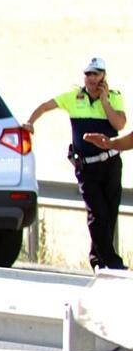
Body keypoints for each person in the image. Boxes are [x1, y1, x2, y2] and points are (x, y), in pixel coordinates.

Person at [29, 57, 127, 271]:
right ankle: (111, 262)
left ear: (104, 76)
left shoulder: (113, 97)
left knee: (109, 213)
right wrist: (30, 122)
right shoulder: (74, 97)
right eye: (89, 74)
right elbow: (46, 106)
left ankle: (98, 258)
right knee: (97, 213)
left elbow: (119, 123)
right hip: (87, 167)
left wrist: (104, 102)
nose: (92, 78)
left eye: (96, 73)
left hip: (110, 162)